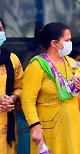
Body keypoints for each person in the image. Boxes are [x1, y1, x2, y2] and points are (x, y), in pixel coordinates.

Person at [21, 22, 80, 154]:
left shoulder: (71, 63)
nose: (70, 43)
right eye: (67, 40)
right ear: (55, 43)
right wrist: (35, 127)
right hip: (49, 129)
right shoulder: (37, 66)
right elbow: (27, 100)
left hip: (72, 128)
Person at [0, 18, 24, 154]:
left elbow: (21, 86)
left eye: (0, 29)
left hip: (6, 125)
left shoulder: (11, 59)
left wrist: (12, 98)